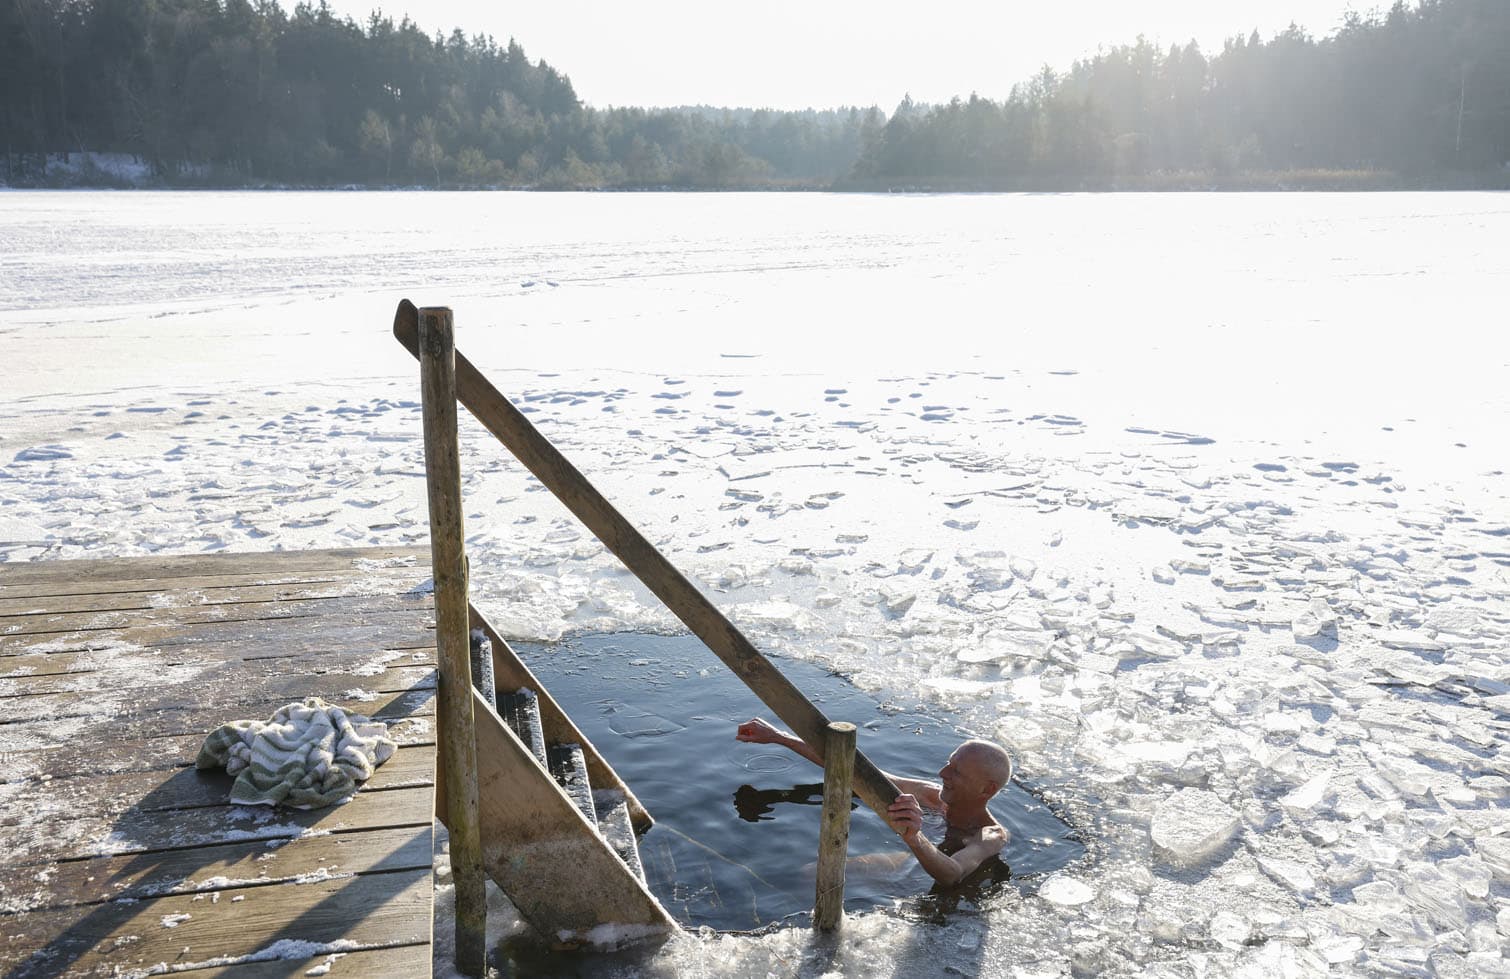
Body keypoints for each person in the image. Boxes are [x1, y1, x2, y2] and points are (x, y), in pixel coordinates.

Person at [735, 717, 1012, 887]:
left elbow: (953, 874)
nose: (942, 774)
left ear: (986, 789)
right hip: (918, 854)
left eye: (956, 772)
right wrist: (778, 737)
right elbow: (857, 771)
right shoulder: (931, 796)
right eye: (948, 764)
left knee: (813, 876)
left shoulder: (990, 835)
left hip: (922, 864)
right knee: (808, 875)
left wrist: (914, 838)